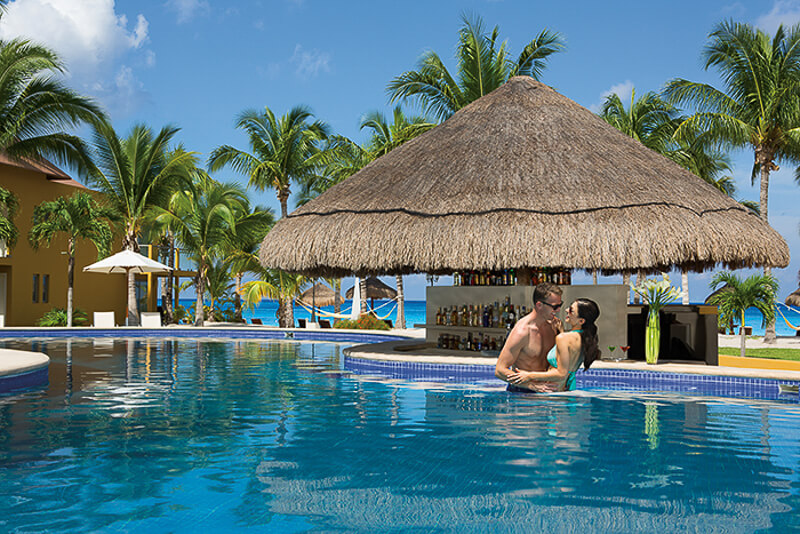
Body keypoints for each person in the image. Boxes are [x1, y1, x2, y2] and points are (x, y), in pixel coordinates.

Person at [506, 298, 601, 392]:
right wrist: (561, 331)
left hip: (551, 392)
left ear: (581, 321)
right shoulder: (585, 339)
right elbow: (569, 361)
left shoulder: (563, 338)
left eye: (571, 310)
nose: (566, 310)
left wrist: (528, 375)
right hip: (565, 390)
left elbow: (561, 374)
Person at [495, 283, 564, 393]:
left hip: (545, 393)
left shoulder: (553, 327)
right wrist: (530, 385)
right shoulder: (522, 332)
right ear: (539, 305)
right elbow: (500, 370)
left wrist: (561, 332)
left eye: (560, 305)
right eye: (555, 307)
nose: (558, 310)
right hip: (522, 394)